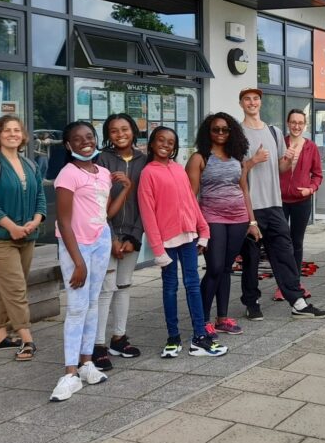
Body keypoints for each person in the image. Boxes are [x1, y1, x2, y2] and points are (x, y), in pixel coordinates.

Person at [51, 121, 131, 402]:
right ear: (68, 145)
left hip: (100, 242)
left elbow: (106, 212)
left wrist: (126, 189)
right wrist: (78, 262)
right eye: (77, 138)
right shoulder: (67, 175)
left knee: (94, 302)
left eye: (89, 137)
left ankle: (86, 363)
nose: (85, 142)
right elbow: (63, 220)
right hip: (77, 246)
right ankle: (69, 372)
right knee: (76, 307)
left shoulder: (103, 173)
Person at [238, 88, 325, 320]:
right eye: (247, 99)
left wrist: (289, 161)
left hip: (274, 203)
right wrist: (252, 161)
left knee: (285, 253)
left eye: (256, 99)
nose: (252, 103)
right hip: (251, 205)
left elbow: (280, 167)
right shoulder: (237, 132)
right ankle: (252, 302)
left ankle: (298, 302)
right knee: (251, 257)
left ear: (260, 102)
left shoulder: (274, 131)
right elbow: (235, 171)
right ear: (241, 103)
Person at [139, 126, 227, 358]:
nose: (165, 145)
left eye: (170, 142)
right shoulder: (148, 173)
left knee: (192, 285)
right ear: (152, 144)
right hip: (166, 242)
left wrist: (204, 230)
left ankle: (199, 336)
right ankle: (173, 337)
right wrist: (157, 249)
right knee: (170, 288)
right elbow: (148, 213)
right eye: (161, 140)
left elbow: (191, 201)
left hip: (188, 237)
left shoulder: (178, 169)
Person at [0, 115, 45, 362]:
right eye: (6, 130)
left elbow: (40, 198)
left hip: (27, 235)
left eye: (17, 130)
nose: (12, 134)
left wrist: (36, 220)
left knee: (7, 286)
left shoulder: (31, 165)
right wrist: (11, 227)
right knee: (15, 288)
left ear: (23, 136)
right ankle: (27, 338)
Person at [187, 112, 252, 337]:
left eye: (225, 129)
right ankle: (202, 320)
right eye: (216, 129)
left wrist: (252, 221)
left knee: (226, 268)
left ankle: (222, 318)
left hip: (238, 219)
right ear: (209, 132)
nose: (221, 133)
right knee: (214, 268)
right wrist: (193, 224)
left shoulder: (237, 157)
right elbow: (190, 195)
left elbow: (244, 190)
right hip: (211, 218)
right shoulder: (199, 157)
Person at [92, 113, 147, 371]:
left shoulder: (144, 162)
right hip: (107, 235)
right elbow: (98, 203)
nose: (120, 134)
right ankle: (98, 345)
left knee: (124, 286)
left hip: (133, 236)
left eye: (125, 129)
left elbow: (147, 203)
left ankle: (119, 338)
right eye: (113, 130)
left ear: (133, 131)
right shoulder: (101, 160)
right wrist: (112, 237)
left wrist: (135, 236)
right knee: (106, 289)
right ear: (108, 135)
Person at [278, 108, 322, 301]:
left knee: (296, 243)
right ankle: (282, 284)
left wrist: (310, 189)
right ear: (288, 124)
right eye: (293, 122)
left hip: (302, 201)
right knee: (280, 243)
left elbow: (318, 175)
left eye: (300, 123)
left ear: (305, 125)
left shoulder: (311, 147)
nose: (296, 126)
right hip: (279, 201)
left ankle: (295, 283)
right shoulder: (280, 144)